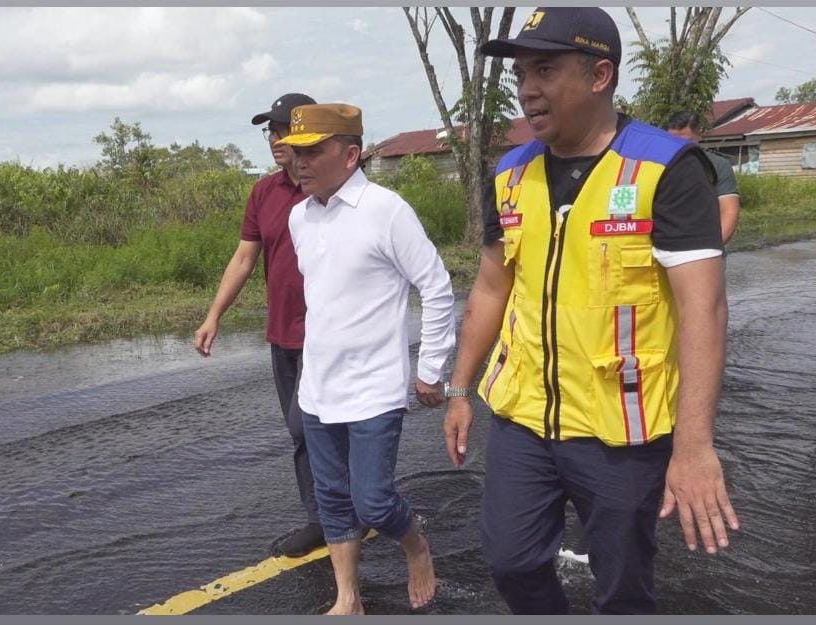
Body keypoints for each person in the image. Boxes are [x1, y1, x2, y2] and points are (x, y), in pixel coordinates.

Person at [441, 7, 741, 614]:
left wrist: (694, 445)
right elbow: (492, 287)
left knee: (623, 584)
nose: (527, 89)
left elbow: (703, 308)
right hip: (525, 416)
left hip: (622, 430)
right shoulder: (510, 172)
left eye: (545, 70)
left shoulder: (667, 169)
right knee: (510, 560)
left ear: (600, 75)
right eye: (522, 73)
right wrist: (459, 387)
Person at [277, 103, 455, 614]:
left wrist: (430, 369)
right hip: (319, 386)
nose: (300, 163)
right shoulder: (299, 217)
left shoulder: (386, 210)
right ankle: (348, 598)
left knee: (373, 501)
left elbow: (436, 286)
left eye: (314, 151)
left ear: (350, 154)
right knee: (333, 499)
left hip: (374, 387)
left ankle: (415, 545)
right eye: (296, 152)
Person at [194, 92, 326, 558]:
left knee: (308, 427)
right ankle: (326, 516)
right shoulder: (264, 192)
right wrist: (214, 316)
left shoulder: (328, 188)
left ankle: (339, 512)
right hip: (282, 332)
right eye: (271, 130)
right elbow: (246, 256)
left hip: (326, 333)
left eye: (283, 129)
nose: (275, 139)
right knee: (302, 433)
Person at [665, 110, 742, 243]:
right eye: (672, 141)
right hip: (663, 248)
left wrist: (714, 247)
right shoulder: (655, 164)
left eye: (685, 141)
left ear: (699, 134)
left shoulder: (718, 165)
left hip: (703, 245)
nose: (677, 147)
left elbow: (729, 211)